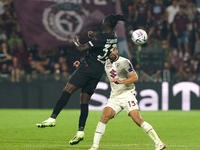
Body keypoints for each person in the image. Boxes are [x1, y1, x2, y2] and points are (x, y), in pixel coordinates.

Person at [36, 14, 126, 145]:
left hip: (87, 67)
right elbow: (102, 44)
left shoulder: (100, 37)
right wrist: (93, 38)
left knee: (67, 90)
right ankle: (80, 131)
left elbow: (81, 48)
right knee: (84, 102)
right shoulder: (114, 38)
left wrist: (75, 41)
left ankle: (52, 118)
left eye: (104, 21)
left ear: (106, 24)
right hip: (98, 71)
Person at [87, 48, 166, 150]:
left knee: (137, 119)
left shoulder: (124, 62)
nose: (111, 52)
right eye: (109, 50)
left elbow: (135, 77)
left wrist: (121, 81)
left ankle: (159, 143)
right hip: (114, 97)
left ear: (116, 50)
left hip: (127, 95)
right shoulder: (105, 61)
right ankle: (94, 147)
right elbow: (93, 68)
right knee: (104, 116)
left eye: (113, 50)